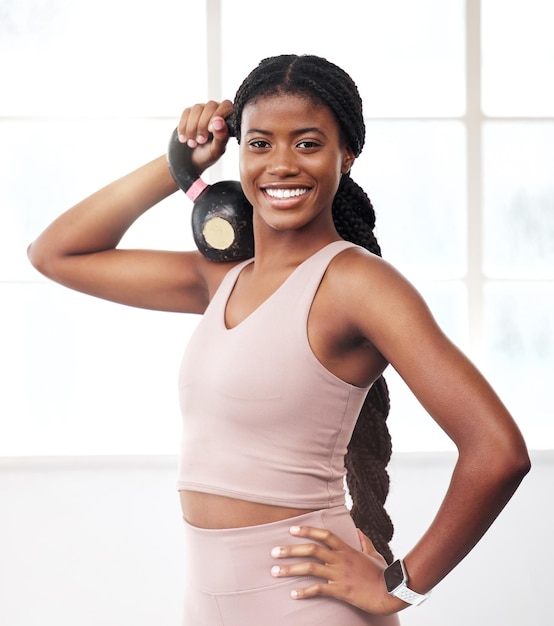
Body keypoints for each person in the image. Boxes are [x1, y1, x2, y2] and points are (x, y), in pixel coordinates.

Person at [27, 54, 530, 625]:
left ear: (347, 156)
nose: (281, 165)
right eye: (260, 144)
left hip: (308, 606)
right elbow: (57, 254)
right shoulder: (221, 277)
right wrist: (177, 164)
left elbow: (497, 451)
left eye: (308, 143)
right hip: (207, 604)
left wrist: (402, 587)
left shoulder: (357, 284)